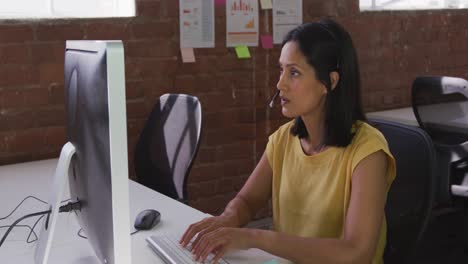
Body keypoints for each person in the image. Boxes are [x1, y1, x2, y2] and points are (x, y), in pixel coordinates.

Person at [180, 18, 396, 264]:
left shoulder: (368, 150)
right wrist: (225, 220)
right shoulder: (283, 139)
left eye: (294, 73)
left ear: (330, 82)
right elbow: (247, 201)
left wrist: (254, 237)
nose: (280, 83)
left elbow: (356, 253)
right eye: (281, 70)